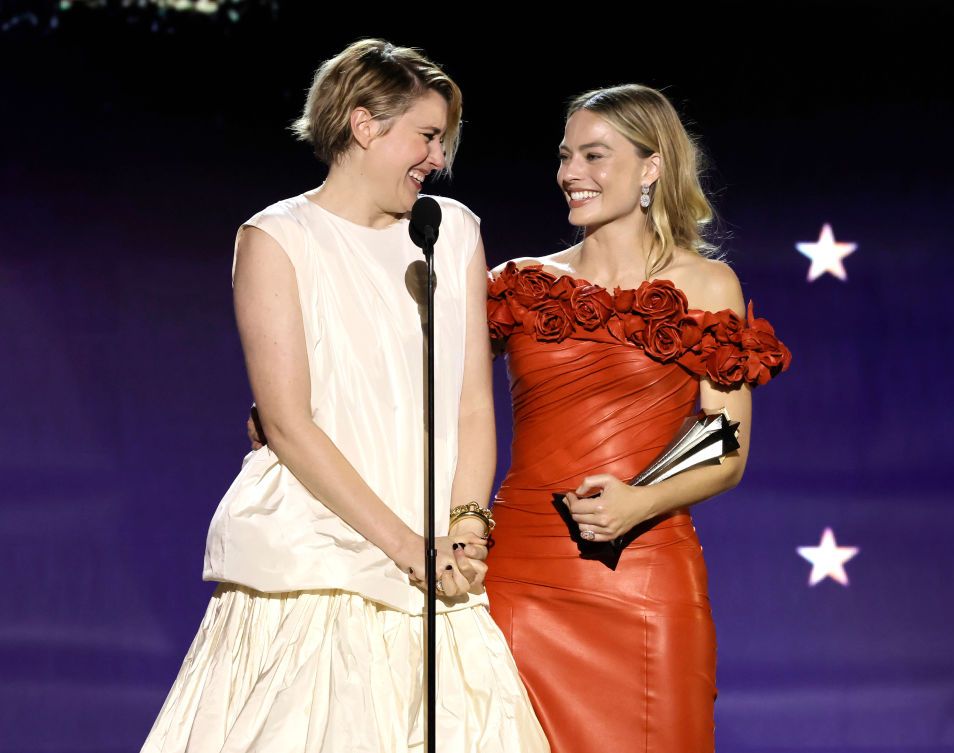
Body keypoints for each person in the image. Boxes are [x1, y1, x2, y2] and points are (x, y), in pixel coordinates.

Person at [141, 39, 547, 753]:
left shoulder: (451, 232)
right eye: (426, 135)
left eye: (442, 140)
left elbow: (473, 406)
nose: (438, 159)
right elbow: (288, 423)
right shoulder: (278, 238)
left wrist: (466, 526)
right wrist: (406, 546)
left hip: (440, 568)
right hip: (318, 558)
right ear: (364, 126)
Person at [483, 84, 792, 752]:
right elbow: (419, 385)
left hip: (646, 578)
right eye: (566, 156)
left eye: (594, 155)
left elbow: (725, 446)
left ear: (651, 167)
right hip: (523, 576)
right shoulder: (518, 283)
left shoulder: (709, 287)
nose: (570, 173)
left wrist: (638, 502)